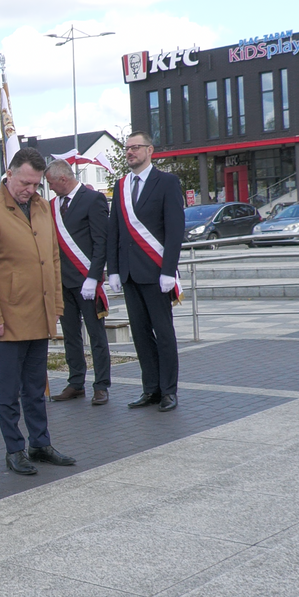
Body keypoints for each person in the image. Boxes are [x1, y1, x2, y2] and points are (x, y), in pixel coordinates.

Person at [0, 147, 75, 476]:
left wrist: (56, 305)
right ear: (10, 174)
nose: (30, 190)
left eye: (36, 184)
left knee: (35, 387)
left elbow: (53, 260)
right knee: (9, 390)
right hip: (9, 316)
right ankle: (14, 448)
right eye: (25, 183)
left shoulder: (42, 208)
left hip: (40, 312)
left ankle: (40, 443)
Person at [107, 131, 183, 413]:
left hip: (155, 273)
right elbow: (114, 229)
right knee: (140, 335)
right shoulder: (121, 186)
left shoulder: (167, 182)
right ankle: (150, 389)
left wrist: (168, 270)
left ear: (150, 150)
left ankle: (168, 391)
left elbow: (175, 231)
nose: (130, 152)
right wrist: (112, 269)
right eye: (127, 148)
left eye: (135, 148)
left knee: (163, 333)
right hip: (129, 274)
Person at [44, 160, 112, 406]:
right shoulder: (52, 206)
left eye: (51, 183)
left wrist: (93, 277)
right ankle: (76, 383)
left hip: (86, 282)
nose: (49, 188)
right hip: (62, 283)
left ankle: (101, 385)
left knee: (96, 336)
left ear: (63, 179)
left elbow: (100, 241)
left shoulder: (93, 199)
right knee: (71, 335)